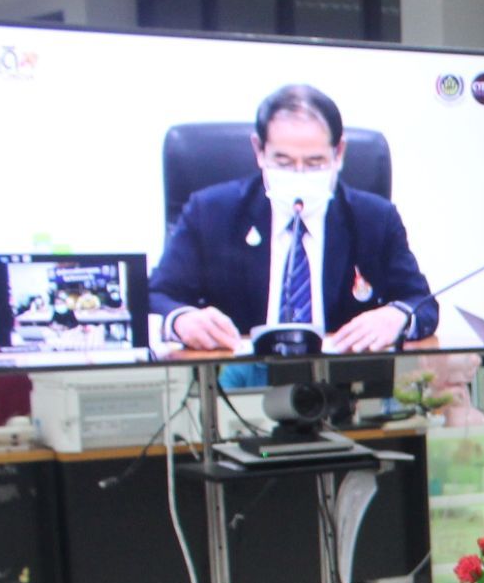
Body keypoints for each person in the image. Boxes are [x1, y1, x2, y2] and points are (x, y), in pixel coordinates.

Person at [150, 84, 437, 386]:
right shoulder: (210, 212)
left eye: (314, 162)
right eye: (283, 162)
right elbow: (157, 295)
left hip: (343, 390)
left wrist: (397, 316)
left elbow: (422, 302)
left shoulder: (374, 218)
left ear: (338, 153)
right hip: (235, 390)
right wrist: (180, 320)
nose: (299, 174)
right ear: (259, 151)